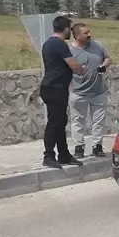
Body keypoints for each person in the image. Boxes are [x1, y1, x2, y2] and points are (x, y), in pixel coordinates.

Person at [39, 16, 86, 168]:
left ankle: (64, 155)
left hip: (53, 87)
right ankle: (48, 156)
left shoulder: (48, 43)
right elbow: (73, 65)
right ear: (65, 29)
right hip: (55, 88)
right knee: (54, 123)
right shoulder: (59, 44)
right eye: (69, 29)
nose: (70, 32)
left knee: (60, 122)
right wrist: (82, 69)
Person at [68, 22, 112, 158]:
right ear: (76, 35)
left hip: (98, 91)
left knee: (98, 121)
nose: (89, 35)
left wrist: (104, 66)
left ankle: (97, 146)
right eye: (85, 33)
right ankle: (79, 147)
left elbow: (108, 58)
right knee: (78, 121)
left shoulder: (97, 45)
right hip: (79, 93)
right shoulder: (69, 51)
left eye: (89, 32)